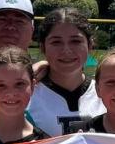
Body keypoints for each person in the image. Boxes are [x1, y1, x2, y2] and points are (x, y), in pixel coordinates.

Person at [25, 7, 105, 135]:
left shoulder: (107, 95)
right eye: (56, 42)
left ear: (90, 45)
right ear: (43, 47)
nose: (66, 50)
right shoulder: (25, 98)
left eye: (75, 41)